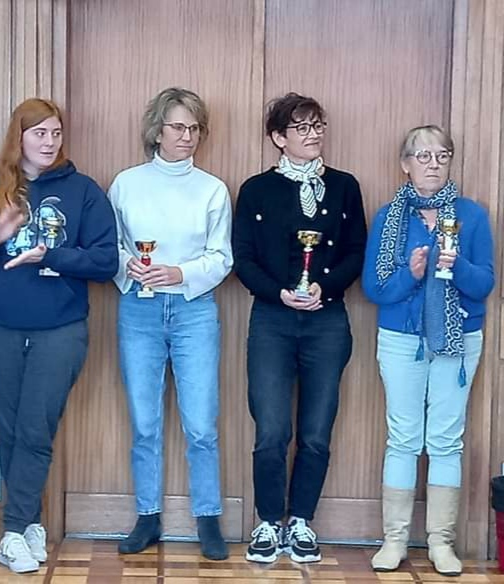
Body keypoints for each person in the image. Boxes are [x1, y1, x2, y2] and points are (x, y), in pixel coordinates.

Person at [0, 98, 118, 574]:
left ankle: (13, 531)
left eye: (55, 133)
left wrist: (50, 257)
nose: (49, 142)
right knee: (10, 427)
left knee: (36, 427)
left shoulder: (83, 192)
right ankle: (28, 522)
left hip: (61, 327)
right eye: (39, 133)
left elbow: (105, 262)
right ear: (19, 137)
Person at [233, 93, 367, 564]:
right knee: (270, 428)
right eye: (302, 128)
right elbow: (242, 257)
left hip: (327, 320)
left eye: (318, 125)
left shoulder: (345, 186)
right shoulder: (255, 189)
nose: (314, 135)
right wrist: (279, 293)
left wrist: (324, 288)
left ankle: (302, 521)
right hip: (272, 318)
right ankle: (269, 521)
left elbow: (356, 251)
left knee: (316, 429)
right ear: (278, 138)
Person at [363, 125, 494, 576]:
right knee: (403, 436)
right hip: (402, 339)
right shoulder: (388, 218)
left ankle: (441, 543)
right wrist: (412, 274)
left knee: (445, 439)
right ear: (405, 164)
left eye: (442, 155)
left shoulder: (472, 216)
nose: (433, 163)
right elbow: (376, 288)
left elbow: (485, 285)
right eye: (423, 156)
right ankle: (395, 540)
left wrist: (457, 268)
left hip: (459, 338)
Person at [108, 87, 232, 561]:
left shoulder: (212, 189)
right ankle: (147, 516)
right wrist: (130, 267)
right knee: (144, 421)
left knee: (201, 423)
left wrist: (180, 273)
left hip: (193, 310)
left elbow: (222, 258)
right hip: (138, 310)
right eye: (178, 127)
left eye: (195, 128)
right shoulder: (126, 183)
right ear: (157, 129)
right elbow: (111, 247)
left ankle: (208, 518)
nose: (188, 136)